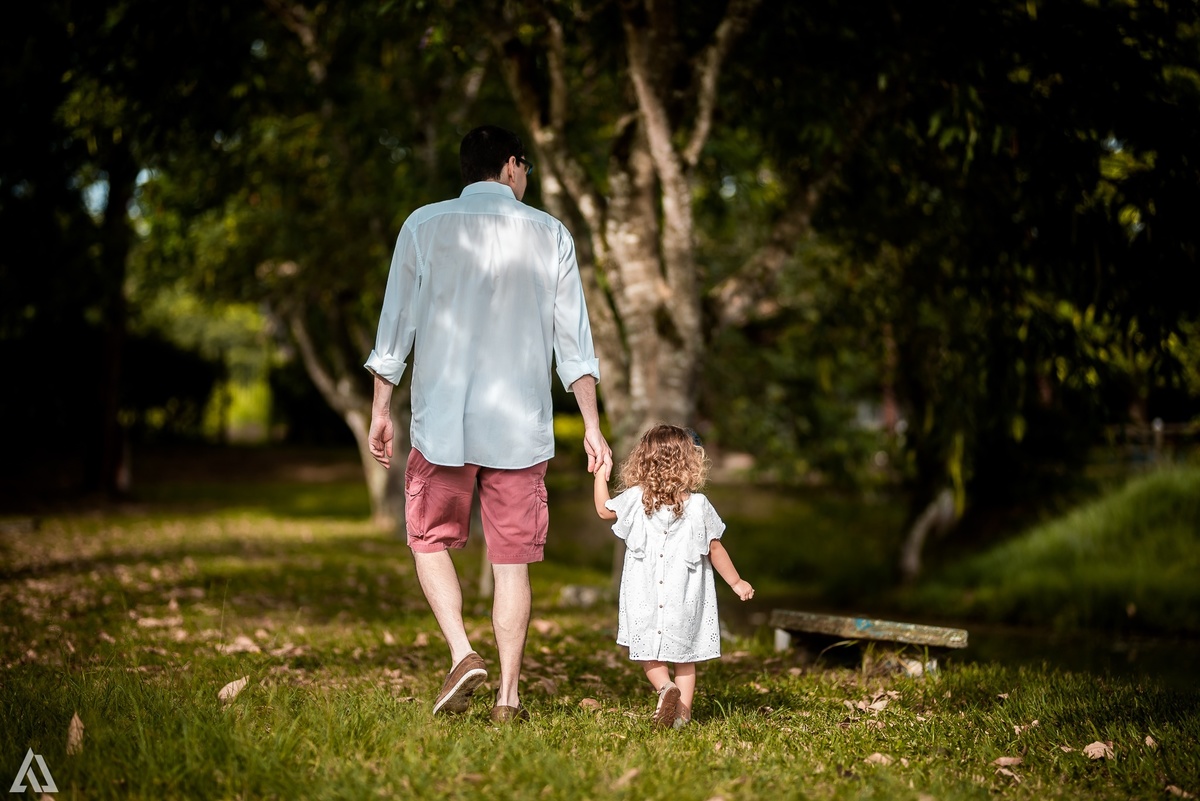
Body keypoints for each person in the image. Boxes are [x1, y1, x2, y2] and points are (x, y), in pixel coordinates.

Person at [365, 124, 612, 723]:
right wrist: (593, 428)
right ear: (510, 165)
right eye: (525, 168)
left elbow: (395, 327)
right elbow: (573, 345)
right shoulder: (550, 233)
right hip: (520, 431)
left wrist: (380, 408)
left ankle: (461, 652)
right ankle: (508, 699)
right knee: (512, 562)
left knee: (428, 542)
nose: (526, 178)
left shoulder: (423, 226)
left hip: (441, 424)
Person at [593, 424, 754, 729]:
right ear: (689, 462)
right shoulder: (699, 506)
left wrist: (601, 472)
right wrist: (736, 582)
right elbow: (714, 548)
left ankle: (665, 688)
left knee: (647, 651)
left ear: (643, 460)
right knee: (686, 655)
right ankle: (682, 715)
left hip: (644, 594)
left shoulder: (636, 499)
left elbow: (603, 510)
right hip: (686, 594)